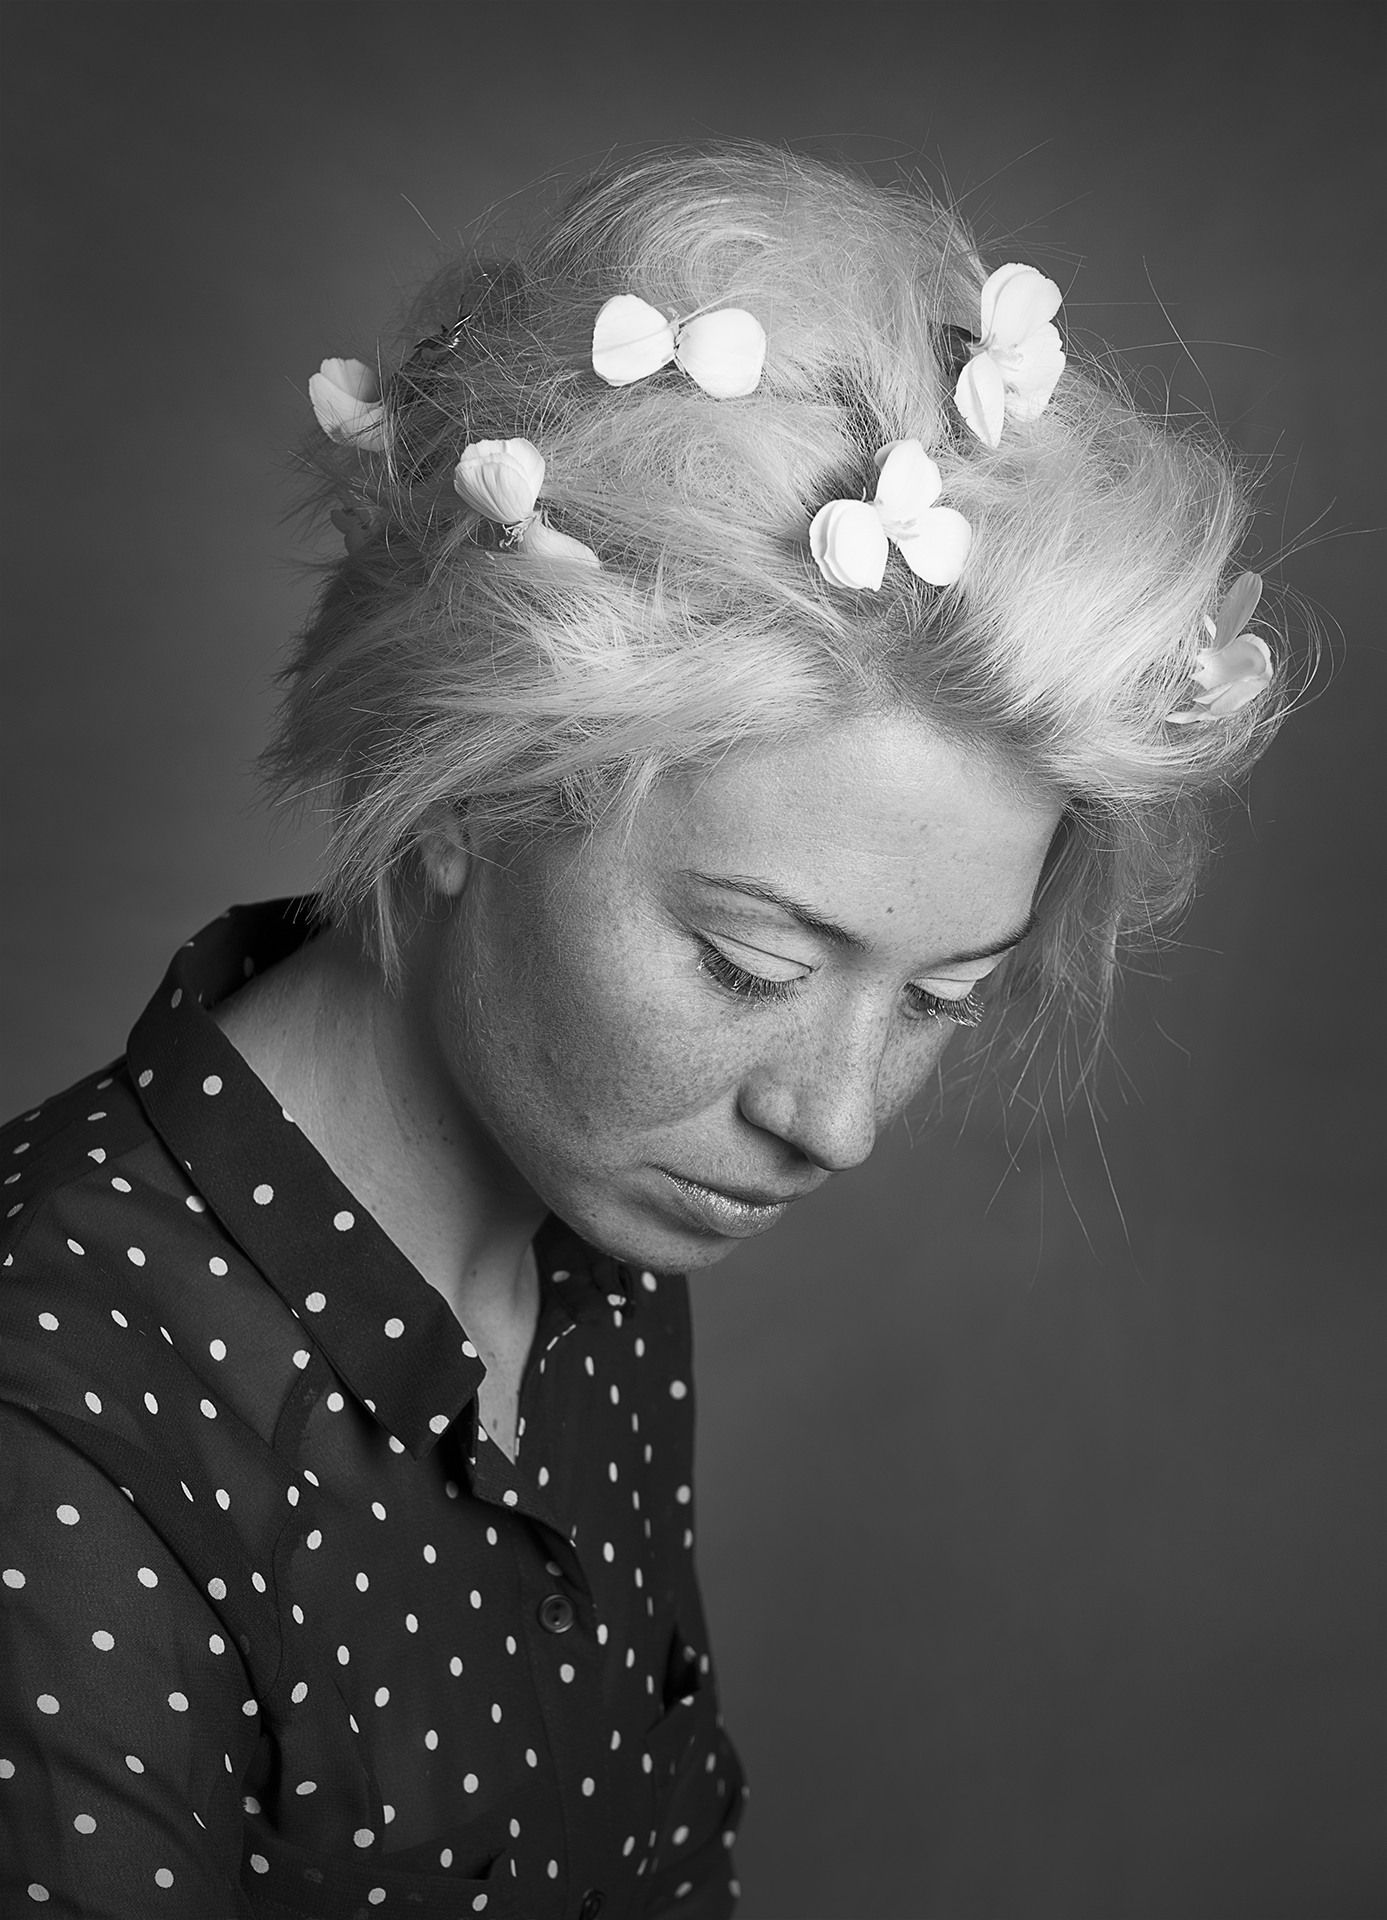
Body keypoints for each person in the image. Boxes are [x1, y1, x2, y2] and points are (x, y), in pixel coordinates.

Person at [0, 144, 1285, 1917]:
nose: (833, 1121)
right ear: (466, 790)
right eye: (750, 966)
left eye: (940, 1001)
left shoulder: (592, 1238)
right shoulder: (56, 1427)